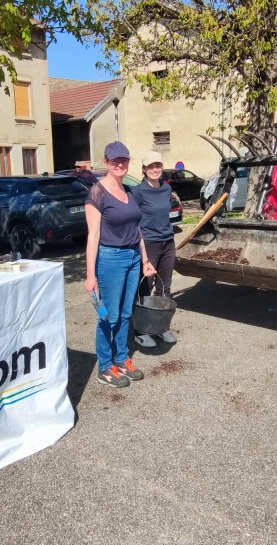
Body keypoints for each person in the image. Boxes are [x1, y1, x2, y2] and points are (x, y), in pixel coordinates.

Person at [84, 141, 157, 388]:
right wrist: (90, 275)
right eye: (115, 160)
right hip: (110, 260)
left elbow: (137, 230)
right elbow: (92, 236)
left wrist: (145, 259)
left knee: (126, 313)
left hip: (133, 258)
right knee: (110, 316)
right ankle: (105, 367)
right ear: (106, 162)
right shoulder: (97, 193)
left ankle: (122, 358)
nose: (120, 164)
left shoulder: (128, 191)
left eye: (124, 160)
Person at [130, 151, 178, 348]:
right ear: (144, 169)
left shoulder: (166, 190)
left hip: (168, 241)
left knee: (164, 287)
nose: (155, 169)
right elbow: (133, 222)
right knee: (144, 287)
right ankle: (141, 330)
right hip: (148, 243)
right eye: (150, 166)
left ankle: (161, 327)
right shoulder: (138, 192)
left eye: (157, 165)